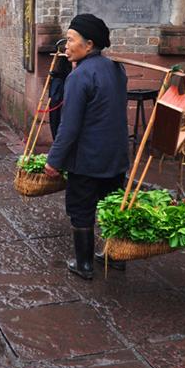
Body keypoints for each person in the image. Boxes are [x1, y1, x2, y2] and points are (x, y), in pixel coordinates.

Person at [44, 14, 129, 280]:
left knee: (81, 210)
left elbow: (69, 127)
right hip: (115, 156)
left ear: (89, 44)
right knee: (111, 207)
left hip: (88, 160)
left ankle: (84, 265)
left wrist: (54, 160)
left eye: (70, 40)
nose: (65, 46)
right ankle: (116, 257)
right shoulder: (117, 69)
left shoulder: (80, 76)